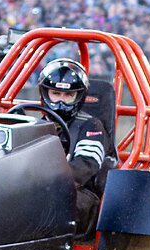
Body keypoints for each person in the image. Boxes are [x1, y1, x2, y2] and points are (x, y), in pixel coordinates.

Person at [36, 58, 115, 236]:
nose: (61, 101)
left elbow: (85, 166)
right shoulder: (34, 126)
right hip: (38, 190)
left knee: (39, 206)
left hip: (78, 194)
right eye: (55, 93)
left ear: (79, 97)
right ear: (45, 93)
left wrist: (43, 182)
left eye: (68, 95)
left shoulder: (91, 126)